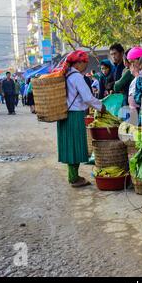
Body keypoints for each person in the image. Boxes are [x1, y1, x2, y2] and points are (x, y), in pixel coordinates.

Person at [57, 50, 105, 188]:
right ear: (78, 63)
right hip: (74, 115)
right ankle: (73, 178)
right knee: (74, 147)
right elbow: (88, 98)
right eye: (85, 63)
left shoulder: (66, 74)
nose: (86, 66)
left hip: (64, 114)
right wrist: (101, 107)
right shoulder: (77, 77)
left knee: (69, 146)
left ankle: (73, 176)